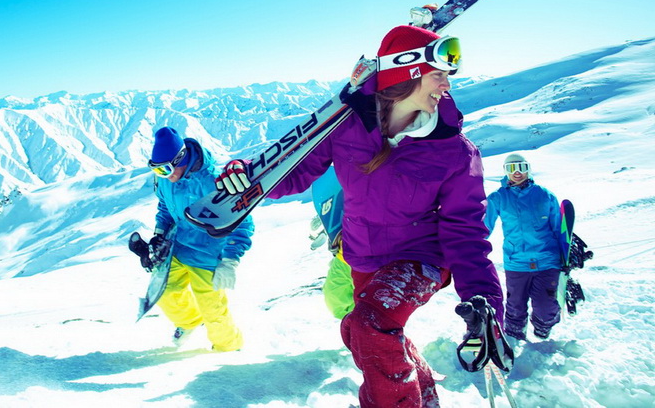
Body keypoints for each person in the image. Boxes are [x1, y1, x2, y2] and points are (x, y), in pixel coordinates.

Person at [217, 25, 505, 408]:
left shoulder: (453, 151)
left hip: (422, 258)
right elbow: (297, 172)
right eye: (439, 75)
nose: (447, 86)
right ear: (408, 72)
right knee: (358, 332)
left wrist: (484, 299)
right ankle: (424, 397)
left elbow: (465, 232)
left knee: (370, 324)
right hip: (363, 257)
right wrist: (246, 173)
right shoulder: (348, 126)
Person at [147, 126, 254, 351]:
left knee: (212, 309)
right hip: (178, 248)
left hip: (209, 254)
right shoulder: (168, 180)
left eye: (166, 169)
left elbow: (242, 221)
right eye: (157, 171)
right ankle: (189, 322)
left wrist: (230, 261)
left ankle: (230, 349)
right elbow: (165, 206)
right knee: (165, 294)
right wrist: (159, 235)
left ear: (181, 158)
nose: (165, 176)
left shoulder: (215, 180)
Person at [485, 153, 562, 340]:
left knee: (546, 306)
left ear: (528, 168)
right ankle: (514, 336)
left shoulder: (545, 195)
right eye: (511, 168)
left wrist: (567, 255)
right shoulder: (498, 198)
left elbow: (559, 228)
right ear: (505, 172)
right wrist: (468, 245)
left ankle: (544, 328)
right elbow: (484, 226)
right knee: (515, 305)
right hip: (516, 261)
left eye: (521, 167)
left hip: (547, 260)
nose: (517, 172)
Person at [309, 167, 354, 320]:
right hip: (345, 255)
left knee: (367, 299)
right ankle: (362, 329)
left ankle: (370, 331)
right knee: (335, 299)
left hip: (366, 255)